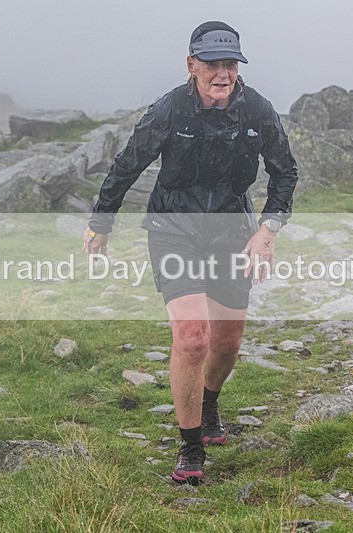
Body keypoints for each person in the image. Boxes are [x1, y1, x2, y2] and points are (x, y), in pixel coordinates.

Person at [83, 21, 298, 485]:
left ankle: (210, 401)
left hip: (230, 231)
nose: (222, 74)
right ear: (191, 65)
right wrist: (102, 222)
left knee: (227, 342)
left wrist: (268, 230)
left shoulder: (257, 110)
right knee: (194, 336)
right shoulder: (170, 109)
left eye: (229, 65)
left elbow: (284, 173)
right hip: (173, 229)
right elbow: (128, 164)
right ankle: (189, 443)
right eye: (211, 65)